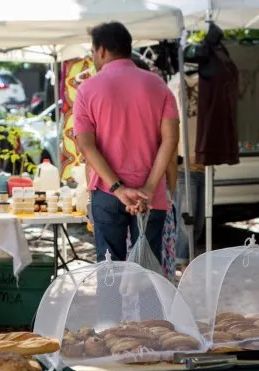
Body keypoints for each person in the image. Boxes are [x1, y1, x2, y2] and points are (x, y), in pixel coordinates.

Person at [73, 21, 180, 264]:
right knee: (146, 271)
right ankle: (148, 304)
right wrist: (150, 188)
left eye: (92, 52)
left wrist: (118, 189)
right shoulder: (159, 85)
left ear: (101, 50)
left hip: (106, 192)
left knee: (109, 268)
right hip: (150, 194)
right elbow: (171, 140)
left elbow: (86, 146)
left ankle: (110, 304)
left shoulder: (87, 90)